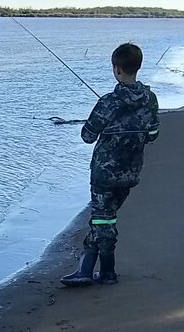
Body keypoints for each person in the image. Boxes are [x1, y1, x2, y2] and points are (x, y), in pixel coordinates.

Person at [59, 43, 160, 286]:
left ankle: (107, 271)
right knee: (103, 218)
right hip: (131, 172)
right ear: (137, 66)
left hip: (104, 173)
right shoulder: (150, 99)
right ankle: (86, 269)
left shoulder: (109, 102)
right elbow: (153, 134)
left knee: (104, 221)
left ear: (117, 69)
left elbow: (87, 136)